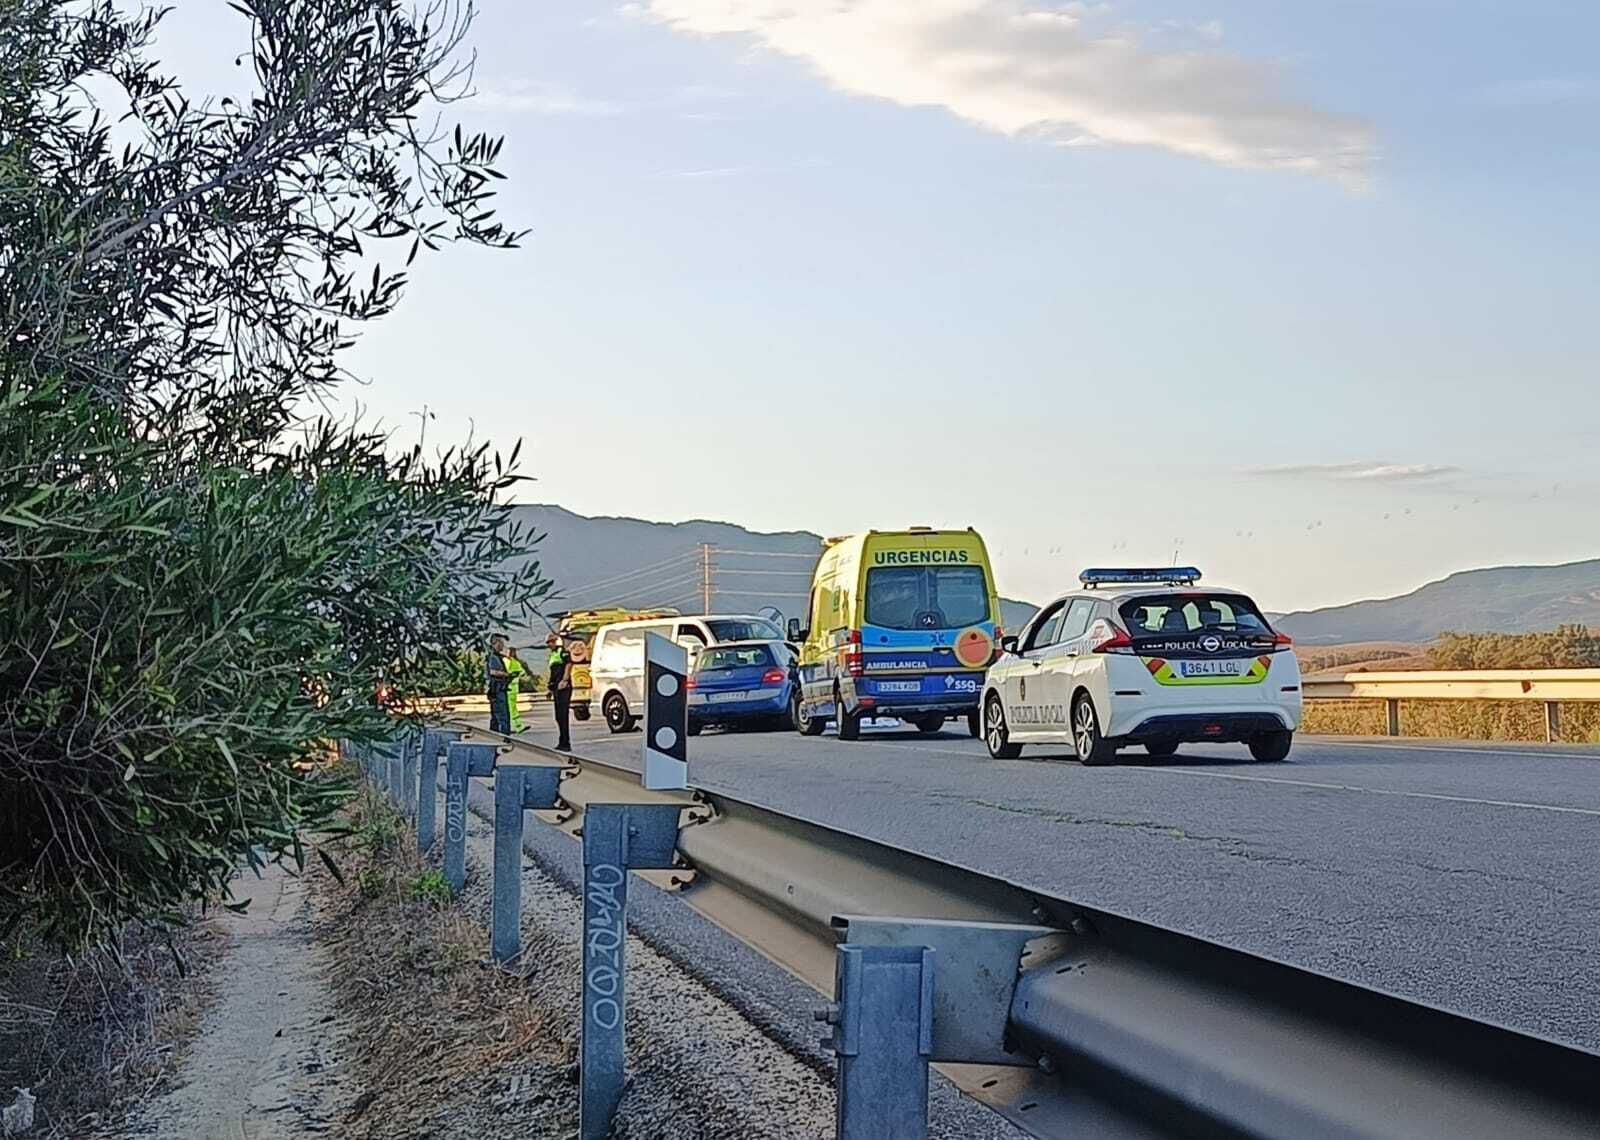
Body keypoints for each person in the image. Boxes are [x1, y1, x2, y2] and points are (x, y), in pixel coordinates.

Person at [547, 632, 573, 751]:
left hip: (563, 686)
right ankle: (562, 740)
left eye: (551, 641)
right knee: (558, 716)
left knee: (563, 716)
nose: (549, 644)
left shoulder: (562, 651)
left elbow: (569, 664)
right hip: (557, 688)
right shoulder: (553, 654)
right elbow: (553, 674)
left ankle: (565, 743)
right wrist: (550, 689)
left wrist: (565, 680)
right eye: (548, 642)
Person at [485, 634, 512, 735]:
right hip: (498, 690)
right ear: (495, 643)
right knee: (502, 715)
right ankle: (505, 736)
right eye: (500, 643)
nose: (502, 646)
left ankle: (494, 736)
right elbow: (493, 672)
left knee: (495, 717)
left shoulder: (494, 656)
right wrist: (507, 674)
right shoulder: (494, 658)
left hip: (495, 690)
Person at [505, 645, 529, 732]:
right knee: (513, 708)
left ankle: (514, 726)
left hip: (508, 688)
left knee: (510, 708)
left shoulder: (506, 661)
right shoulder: (516, 662)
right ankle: (518, 726)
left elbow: (505, 673)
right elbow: (522, 673)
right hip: (514, 688)